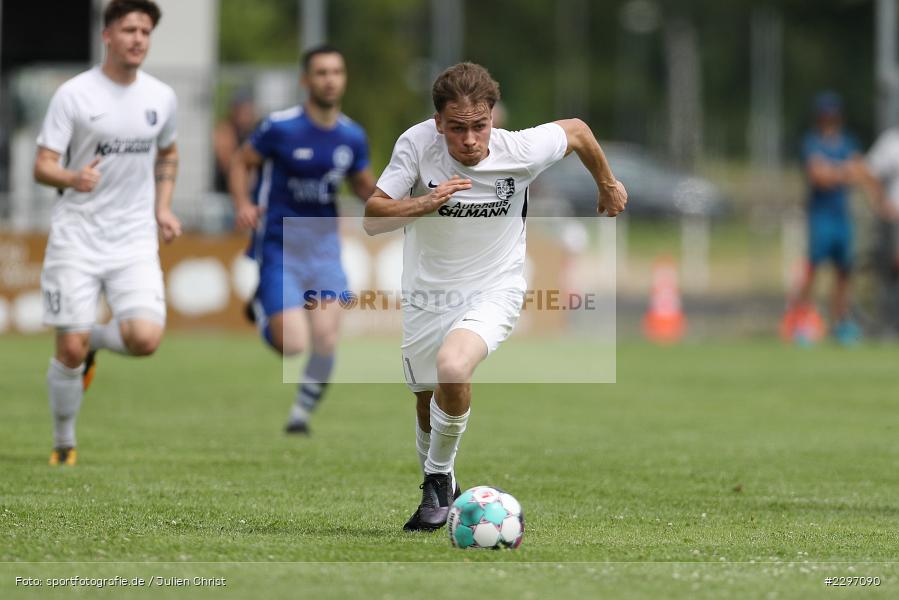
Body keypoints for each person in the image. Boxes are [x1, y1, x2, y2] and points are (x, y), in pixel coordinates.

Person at [364, 62, 628, 531]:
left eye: (479, 126)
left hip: (495, 289)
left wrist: (606, 184)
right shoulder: (416, 144)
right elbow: (374, 215)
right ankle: (441, 481)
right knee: (428, 397)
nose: (469, 140)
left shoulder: (519, 150)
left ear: (492, 118)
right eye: (456, 129)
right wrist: (426, 201)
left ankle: (439, 482)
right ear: (438, 123)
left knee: (453, 366)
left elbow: (579, 132)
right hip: (428, 293)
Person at [33, 0, 180, 466]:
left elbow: (169, 152)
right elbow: (42, 165)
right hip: (77, 236)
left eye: (145, 31)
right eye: (129, 29)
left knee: (145, 339)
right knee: (68, 348)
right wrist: (73, 177)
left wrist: (162, 207)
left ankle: (95, 340)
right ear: (107, 36)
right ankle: (63, 443)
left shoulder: (161, 97)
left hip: (133, 238)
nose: (138, 38)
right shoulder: (74, 95)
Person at [229, 44, 375, 435]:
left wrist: (410, 204)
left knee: (326, 338)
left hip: (325, 247)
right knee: (292, 345)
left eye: (337, 72)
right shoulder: (280, 127)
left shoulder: (352, 135)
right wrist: (242, 203)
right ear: (306, 80)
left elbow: (364, 186)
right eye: (322, 72)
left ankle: (300, 416)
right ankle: (264, 307)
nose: (330, 80)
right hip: (280, 245)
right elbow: (241, 163)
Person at [783, 92, 891, 345]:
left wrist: (876, 200)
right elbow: (819, 176)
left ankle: (840, 322)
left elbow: (862, 173)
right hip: (820, 216)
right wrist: (845, 173)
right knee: (813, 269)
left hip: (842, 216)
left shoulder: (847, 142)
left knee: (844, 272)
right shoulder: (812, 142)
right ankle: (800, 320)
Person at [213, 90, 257, 194]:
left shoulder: (254, 131)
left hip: (248, 192)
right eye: (244, 111)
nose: (247, 115)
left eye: (249, 111)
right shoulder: (225, 130)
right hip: (224, 193)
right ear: (234, 110)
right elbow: (227, 162)